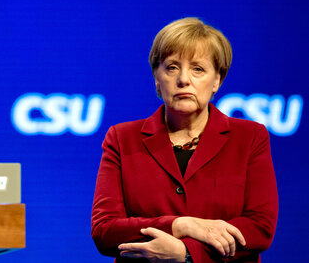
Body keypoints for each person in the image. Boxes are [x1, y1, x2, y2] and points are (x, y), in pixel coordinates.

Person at [91, 18, 278, 262]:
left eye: (198, 69)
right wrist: (181, 225)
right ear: (157, 79)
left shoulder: (250, 137)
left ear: (216, 81)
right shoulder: (122, 138)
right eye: (172, 67)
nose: (183, 79)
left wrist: (187, 253)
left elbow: (259, 227)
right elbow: (105, 230)